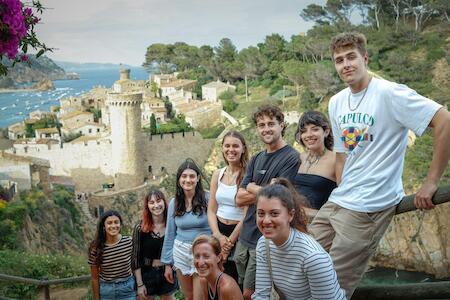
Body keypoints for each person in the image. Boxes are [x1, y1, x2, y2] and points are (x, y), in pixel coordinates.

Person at [309, 32, 450, 298]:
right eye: (339, 60)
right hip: (339, 201)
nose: (345, 64)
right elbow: (341, 155)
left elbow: (444, 120)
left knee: (330, 288)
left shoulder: (389, 93)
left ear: (365, 58)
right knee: (299, 260)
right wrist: (344, 187)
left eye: (351, 57)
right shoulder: (337, 101)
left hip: (368, 207)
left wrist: (431, 182)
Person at [235, 104, 300, 300]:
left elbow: (278, 196)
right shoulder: (256, 158)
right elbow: (239, 197)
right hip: (245, 234)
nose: (266, 128)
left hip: (263, 239)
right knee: (241, 287)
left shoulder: (291, 157)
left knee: (251, 293)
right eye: (261, 125)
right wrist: (264, 188)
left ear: (282, 125)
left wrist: (253, 187)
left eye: (271, 123)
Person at [253, 183, 345, 300]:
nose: (266, 220)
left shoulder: (313, 257)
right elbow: (262, 295)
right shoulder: (263, 244)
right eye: (261, 213)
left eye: (274, 213)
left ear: (290, 215)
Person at [161, 158, 211, 300]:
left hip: (202, 253)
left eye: (191, 176)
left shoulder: (208, 199)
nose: (187, 180)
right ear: (179, 179)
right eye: (184, 176)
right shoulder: (174, 203)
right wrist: (167, 264)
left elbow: (214, 227)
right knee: (188, 297)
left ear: (198, 178)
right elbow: (170, 234)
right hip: (180, 253)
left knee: (199, 297)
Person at [207, 130, 248, 283]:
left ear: (243, 148)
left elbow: (247, 214)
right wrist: (217, 235)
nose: (231, 150)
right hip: (219, 231)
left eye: (235, 146)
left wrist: (229, 242)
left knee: (233, 278)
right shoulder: (218, 174)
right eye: (227, 146)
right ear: (222, 148)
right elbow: (211, 210)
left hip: (238, 233)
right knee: (216, 278)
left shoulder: (247, 175)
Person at [132, 190, 178, 300]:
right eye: (151, 202)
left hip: (168, 273)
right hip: (146, 274)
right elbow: (136, 257)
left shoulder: (173, 224)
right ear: (147, 206)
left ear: (164, 203)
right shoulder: (140, 228)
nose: (156, 205)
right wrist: (139, 284)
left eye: (158, 201)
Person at [293, 110, 336, 216]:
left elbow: (344, 199)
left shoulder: (336, 160)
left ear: (326, 131)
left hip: (319, 224)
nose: (309, 135)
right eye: (304, 131)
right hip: (294, 223)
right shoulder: (300, 158)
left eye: (315, 129)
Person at [88, 210, 135, 300]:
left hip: (127, 289)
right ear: (104, 226)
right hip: (106, 291)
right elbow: (94, 278)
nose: (113, 226)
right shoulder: (96, 248)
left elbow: (135, 267)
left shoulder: (129, 242)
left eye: (116, 222)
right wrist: (96, 298)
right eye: (109, 223)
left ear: (120, 225)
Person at [192, 235, 244, 300]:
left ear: (218, 258)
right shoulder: (204, 280)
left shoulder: (226, 287)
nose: (200, 263)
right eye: (197, 256)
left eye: (206, 256)